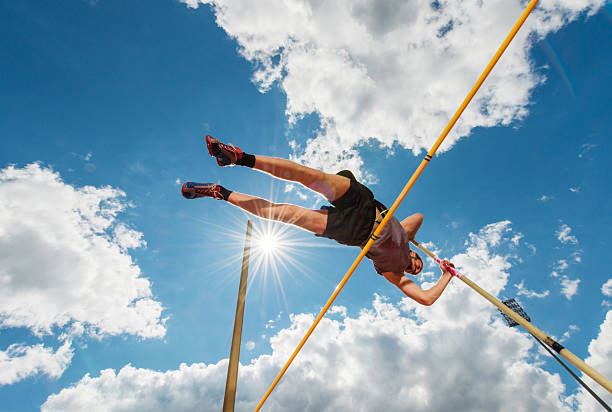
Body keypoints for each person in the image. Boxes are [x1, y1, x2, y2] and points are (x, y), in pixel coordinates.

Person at [182, 135, 454, 306]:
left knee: (283, 214)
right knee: (309, 176)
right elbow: (417, 217)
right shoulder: (406, 236)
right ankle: (238, 158)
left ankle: (220, 192)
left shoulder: (394, 274)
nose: (416, 267)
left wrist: (445, 276)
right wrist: (411, 239)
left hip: (353, 231)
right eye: (419, 263)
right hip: (364, 203)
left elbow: (426, 298)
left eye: (415, 270)